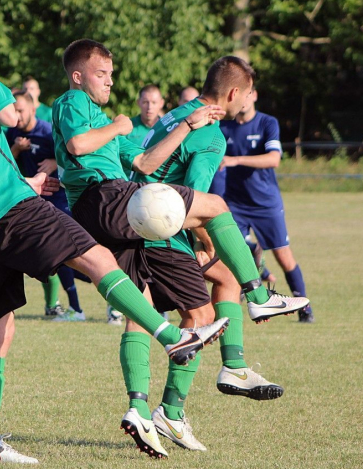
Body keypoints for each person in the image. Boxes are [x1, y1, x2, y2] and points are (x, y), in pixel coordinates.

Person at [0, 21, 229, 464]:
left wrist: (25, 179)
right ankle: (172, 336)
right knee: (95, 257)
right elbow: (11, 117)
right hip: (10, 206)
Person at [52, 39, 307, 458]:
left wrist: (174, 129)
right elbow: (85, 148)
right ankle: (254, 305)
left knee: (143, 310)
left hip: (124, 206)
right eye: (103, 74)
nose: (110, 82)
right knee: (210, 272)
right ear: (233, 96)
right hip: (128, 206)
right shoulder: (80, 104)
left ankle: (141, 407)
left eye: (112, 75)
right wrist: (206, 239)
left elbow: (145, 163)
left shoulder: (168, 118)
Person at [132, 56, 304, 451]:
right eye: (245, 94)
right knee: (199, 316)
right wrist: (207, 240)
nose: (245, 101)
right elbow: (192, 199)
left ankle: (234, 366)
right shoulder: (211, 134)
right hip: (158, 232)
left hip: (137, 216)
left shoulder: (179, 112)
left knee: (224, 279)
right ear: (233, 93)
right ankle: (169, 412)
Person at [216, 88, 315, 323]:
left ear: (255, 95)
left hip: (265, 204)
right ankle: (237, 310)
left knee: (284, 256)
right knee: (231, 259)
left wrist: (235, 160)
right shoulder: (224, 126)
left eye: (248, 92)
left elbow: (274, 159)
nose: (244, 98)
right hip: (234, 205)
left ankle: (304, 308)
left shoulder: (267, 123)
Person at [6, 90, 87, 321]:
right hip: (31, 203)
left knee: (61, 254)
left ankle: (76, 309)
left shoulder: (48, 132)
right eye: (13, 110)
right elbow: (4, 164)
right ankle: (86, 287)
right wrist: (16, 150)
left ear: (33, 109)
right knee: (53, 259)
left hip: (58, 200)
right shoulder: (11, 133)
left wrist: (55, 161)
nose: (17, 115)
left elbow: (73, 158)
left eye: (20, 110)